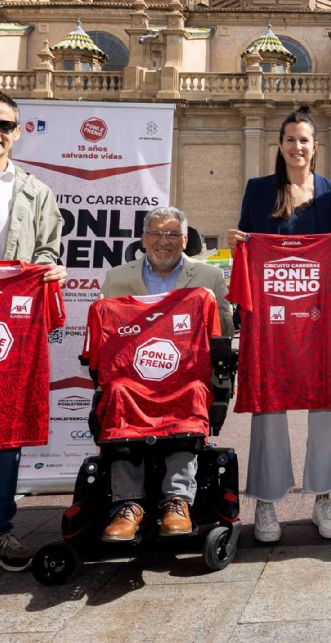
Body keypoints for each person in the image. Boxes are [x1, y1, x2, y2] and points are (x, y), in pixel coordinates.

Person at [227, 108, 331, 543]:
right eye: (291, 139)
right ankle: (266, 499)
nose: (298, 147)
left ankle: (323, 496)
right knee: (269, 407)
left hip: (318, 321)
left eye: (305, 140)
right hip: (271, 322)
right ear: (280, 145)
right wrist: (237, 243)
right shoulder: (259, 191)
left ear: (316, 146)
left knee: (325, 409)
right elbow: (245, 246)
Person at [97, 206, 234, 542]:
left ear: (185, 240)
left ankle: (178, 501)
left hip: (186, 376)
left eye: (173, 234)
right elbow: (104, 337)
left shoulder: (208, 278)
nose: (164, 241)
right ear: (143, 239)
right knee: (117, 391)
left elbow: (223, 335)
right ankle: (127, 505)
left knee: (191, 390)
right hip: (133, 379)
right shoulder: (116, 278)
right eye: (156, 233)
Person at [0, 90, 65, 572]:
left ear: (17, 133)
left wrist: (47, 272)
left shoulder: (36, 192)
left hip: (11, 321)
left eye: (4, 125)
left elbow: (47, 251)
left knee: (5, 428)